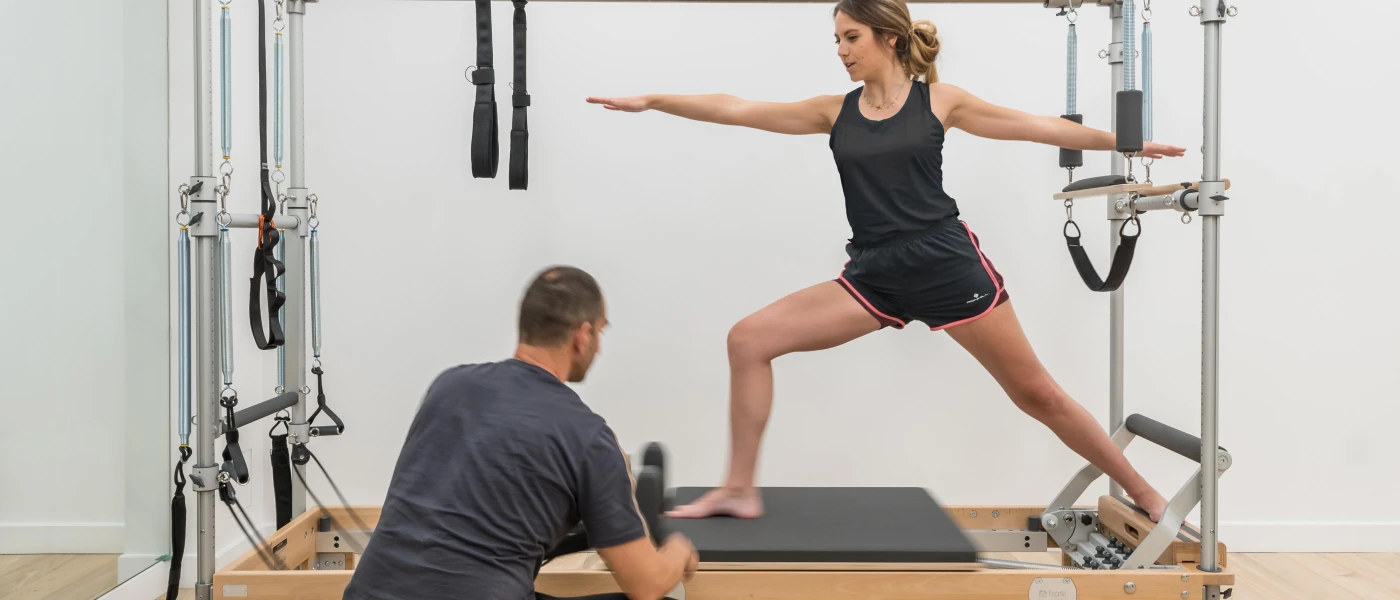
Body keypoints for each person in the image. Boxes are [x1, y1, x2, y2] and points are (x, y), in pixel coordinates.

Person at [585, 0, 1186, 523]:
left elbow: (1032, 126)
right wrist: (655, 100)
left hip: (947, 266)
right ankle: (739, 489)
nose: (842, 51)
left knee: (1037, 396)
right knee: (748, 341)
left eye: (852, 38)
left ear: (888, 38)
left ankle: (1144, 492)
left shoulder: (939, 101)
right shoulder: (833, 111)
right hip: (874, 274)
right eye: (838, 40)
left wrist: (1126, 143)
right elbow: (739, 108)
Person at [343, 266, 698, 600]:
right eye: (600, 333)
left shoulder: (448, 386)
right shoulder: (589, 437)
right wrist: (678, 550)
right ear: (582, 335)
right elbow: (646, 584)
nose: (599, 347)